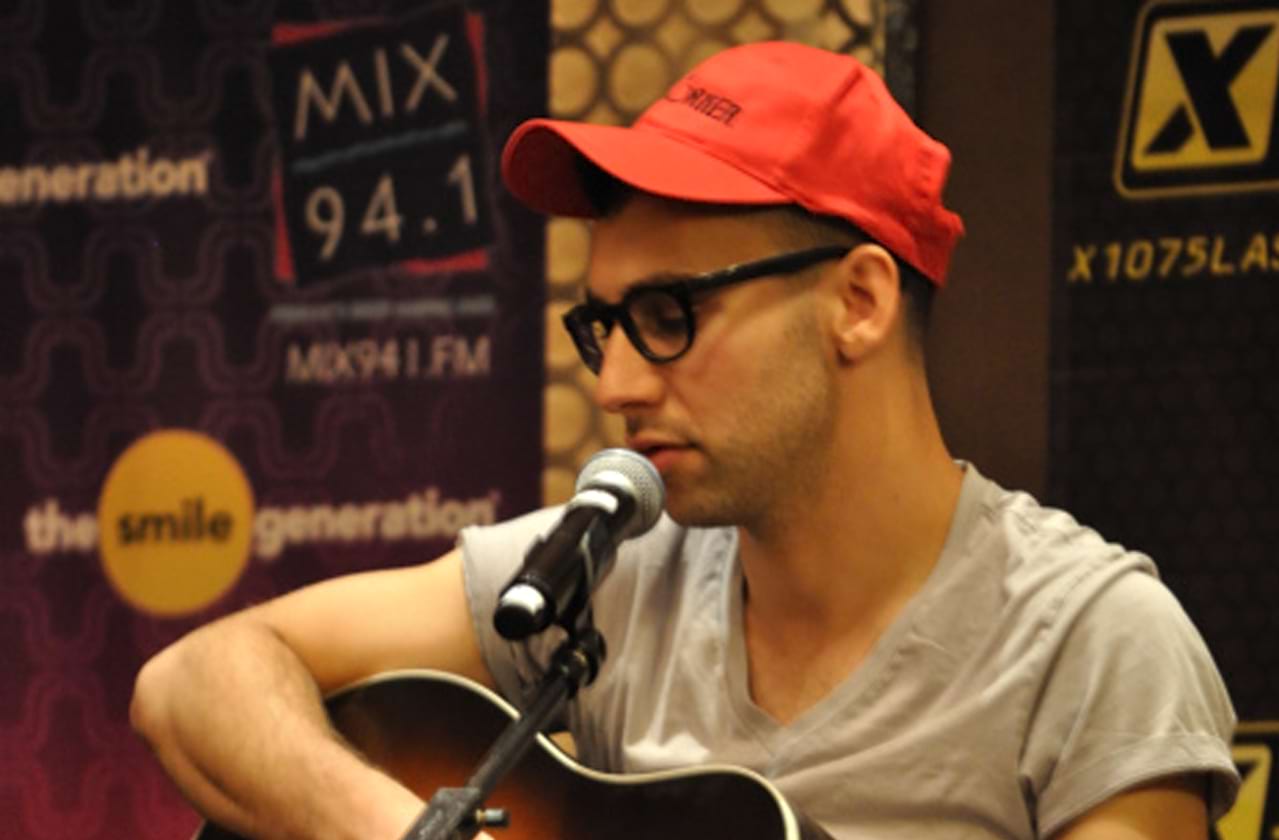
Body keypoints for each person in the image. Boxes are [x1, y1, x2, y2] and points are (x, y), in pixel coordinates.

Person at [131, 41, 1239, 839]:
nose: (614, 384)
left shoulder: (1089, 648)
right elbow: (195, 680)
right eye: (601, 326)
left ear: (857, 300)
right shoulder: (606, 580)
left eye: (670, 317)